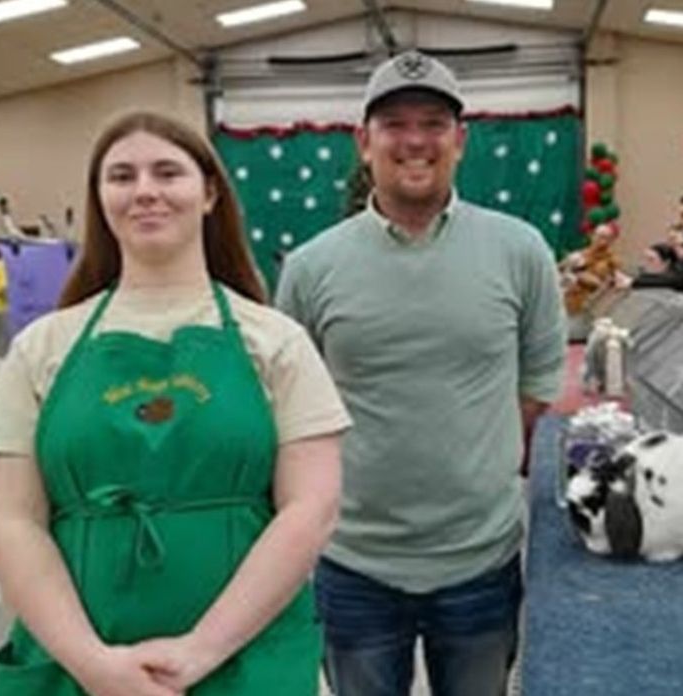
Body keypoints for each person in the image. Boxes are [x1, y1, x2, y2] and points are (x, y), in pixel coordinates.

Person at [0, 111, 351, 695]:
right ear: (100, 199)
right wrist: (94, 665)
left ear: (209, 194)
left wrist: (199, 652)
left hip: (247, 662)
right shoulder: (41, 348)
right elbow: (10, 519)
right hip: (80, 666)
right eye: (121, 176)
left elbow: (311, 509)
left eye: (167, 172)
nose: (145, 190)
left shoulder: (276, 342)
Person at [276, 50, 567, 696]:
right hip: (352, 567)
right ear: (363, 142)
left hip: (482, 565)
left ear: (460, 140)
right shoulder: (310, 268)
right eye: (394, 124)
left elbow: (536, 387)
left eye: (433, 123)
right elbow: (292, 409)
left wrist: (471, 467)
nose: (414, 141)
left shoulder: (520, 251)